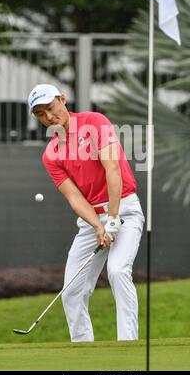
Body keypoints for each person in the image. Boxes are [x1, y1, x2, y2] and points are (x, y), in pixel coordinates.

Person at [28, 83, 145, 342]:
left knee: (117, 271)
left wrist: (113, 218)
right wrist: (99, 226)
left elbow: (112, 169)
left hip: (124, 209)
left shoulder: (94, 122)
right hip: (91, 221)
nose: (48, 116)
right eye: (40, 114)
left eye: (50, 107)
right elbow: (74, 197)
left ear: (62, 99)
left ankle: (128, 344)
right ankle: (83, 351)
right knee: (72, 290)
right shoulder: (51, 154)